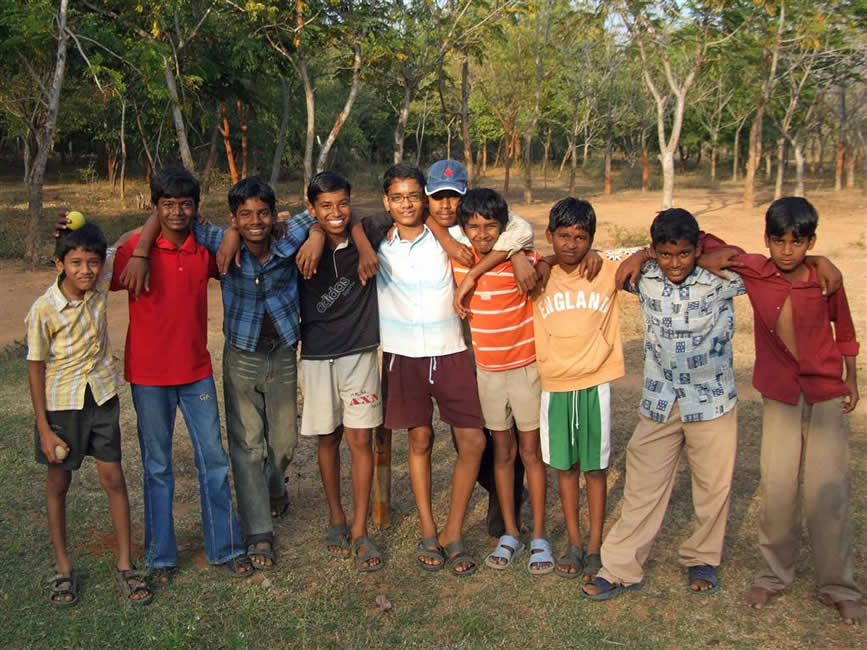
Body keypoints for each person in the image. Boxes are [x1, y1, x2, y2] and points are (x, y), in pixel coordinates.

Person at [703, 197, 863, 625]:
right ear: (766, 239)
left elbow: (845, 329)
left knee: (828, 492)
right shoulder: (755, 269)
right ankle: (773, 576)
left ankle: (839, 586)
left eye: (798, 242)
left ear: (811, 241)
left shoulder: (825, 279)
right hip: (780, 394)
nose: (787, 251)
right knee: (777, 487)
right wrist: (652, 253)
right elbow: (698, 240)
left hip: (825, 392)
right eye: (779, 241)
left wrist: (851, 379)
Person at [581, 208, 746, 601]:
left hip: (711, 399)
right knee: (642, 484)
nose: (675, 264)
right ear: (655, 250)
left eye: (685, 254)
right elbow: (598, 259)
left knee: (712, 484)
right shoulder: (646, 275)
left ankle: (702, 557)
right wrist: (642, 254)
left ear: (697, 248)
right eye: (666, 254)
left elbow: (759, 263)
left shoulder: (723, 276)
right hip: (661, 398)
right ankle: (619, 567)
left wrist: (706, 256)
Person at [113, 166, 252, 581]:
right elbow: (88, 269)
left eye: (185, 205)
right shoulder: (134, 250)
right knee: (157, 466)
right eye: (168, 205)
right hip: (148, 376)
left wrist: (232, 232)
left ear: (196, 207)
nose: (177, 212)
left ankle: (225, 546)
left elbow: (239, 243)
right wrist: (136, 245)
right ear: (154, 206)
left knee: (214, 460)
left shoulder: (202, 250)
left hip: (195, 372)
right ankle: (160, 557)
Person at [27, 224, 153, 607]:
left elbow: (122, 243)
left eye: (93, 263)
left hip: (102, 397)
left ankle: (125, 564)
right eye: (76, 263)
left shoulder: (99, 285)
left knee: (113, 477)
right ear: (59, 264)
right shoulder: (44, 309)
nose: (86, 271)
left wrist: (156, 214)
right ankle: (63, 567)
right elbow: (35, 367)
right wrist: (44, 428)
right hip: (61, 405)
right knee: (58, 483)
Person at [374, 162, 487, 576]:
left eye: (413, 196)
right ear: (386, 202)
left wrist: (444, 235)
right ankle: (427, 530)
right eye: (397, 197)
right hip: (403, 355)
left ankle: (453, 531)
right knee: (419, 439)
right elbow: (331, 223)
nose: (406, 204)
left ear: (424, 199)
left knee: (472, 441)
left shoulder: (455, 236)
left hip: (451, 350)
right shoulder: (378, 241)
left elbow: (514, 231)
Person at [423, 159, 535, 537]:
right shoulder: (440, 229)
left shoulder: (483, 226)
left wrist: (506, 257)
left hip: (497, 351)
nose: (447, 206)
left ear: (466, 195)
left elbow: (519, 229)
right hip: (458, 352)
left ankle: (505, 512)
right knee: (473, 438)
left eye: (454, 197)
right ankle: (503, 496)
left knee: (504, 436)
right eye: (438, 198)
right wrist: (444, 238)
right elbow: (417, 216)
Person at [450, 188, 553, 574]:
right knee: (502, 454)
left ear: (503, 226)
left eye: (490, 226)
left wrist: (520, 255)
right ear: (464, 229)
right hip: (488, 374)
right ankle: (510, 532)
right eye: (473, 227)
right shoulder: (458, 259)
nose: (482, 234)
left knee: (531, 454)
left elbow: (538, 252)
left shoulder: (519, 258)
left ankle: (539, 536)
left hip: (526, 369)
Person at [297, 171, 387, 572]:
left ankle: (360, 528)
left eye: (342, 203)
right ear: (311, 209)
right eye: (325, 206)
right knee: (327, 439)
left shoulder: (367, 231)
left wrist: (361, 240)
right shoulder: (300, 244)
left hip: (360, 354)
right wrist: (315, 234)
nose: (336, 212)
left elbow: (378, 215)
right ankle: (336, 517)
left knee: (360, 440)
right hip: (316, 356)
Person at [532, 197, 626, 582]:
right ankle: (573, 541)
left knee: (595, 469)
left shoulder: (604, 270)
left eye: (581, 237)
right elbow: (513, 243)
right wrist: (544, 260)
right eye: (563, 236)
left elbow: (649, 251)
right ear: (550, 235)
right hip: (555, 386)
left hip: (594, 384)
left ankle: (594, 545)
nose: (571, 245)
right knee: (566, 468)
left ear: (591, 239)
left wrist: (602, 254)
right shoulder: (538, 275)